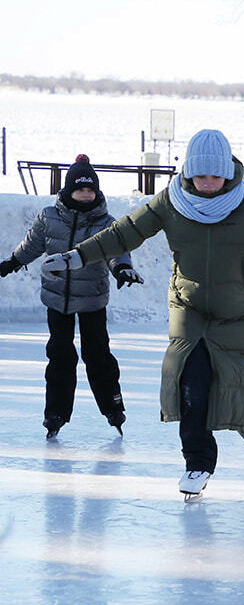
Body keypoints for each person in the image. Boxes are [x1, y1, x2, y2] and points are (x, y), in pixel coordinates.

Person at [42, 130, 244, 498]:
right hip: (189, 309)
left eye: (216, 176)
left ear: (227, 174)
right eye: (201, 176)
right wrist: (77, 256)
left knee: (238, 394)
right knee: (190, 384)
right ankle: (197, 463)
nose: (209, 184)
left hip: (236, 315)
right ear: (189, 173)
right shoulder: (172, 201)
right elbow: (125, 232)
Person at [0, 155, 142, 439]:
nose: (86, 195)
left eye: (90, 190)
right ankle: (56, 413)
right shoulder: (49, 218)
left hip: (92, 299)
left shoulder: (105, 222)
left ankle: (113, 407)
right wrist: (12, 262)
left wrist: (123, 269)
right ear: (69, 190)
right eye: (80, 189)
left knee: (97, 354)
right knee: (60, 356)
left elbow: (116, 250)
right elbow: (32, 245)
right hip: (57, 299)